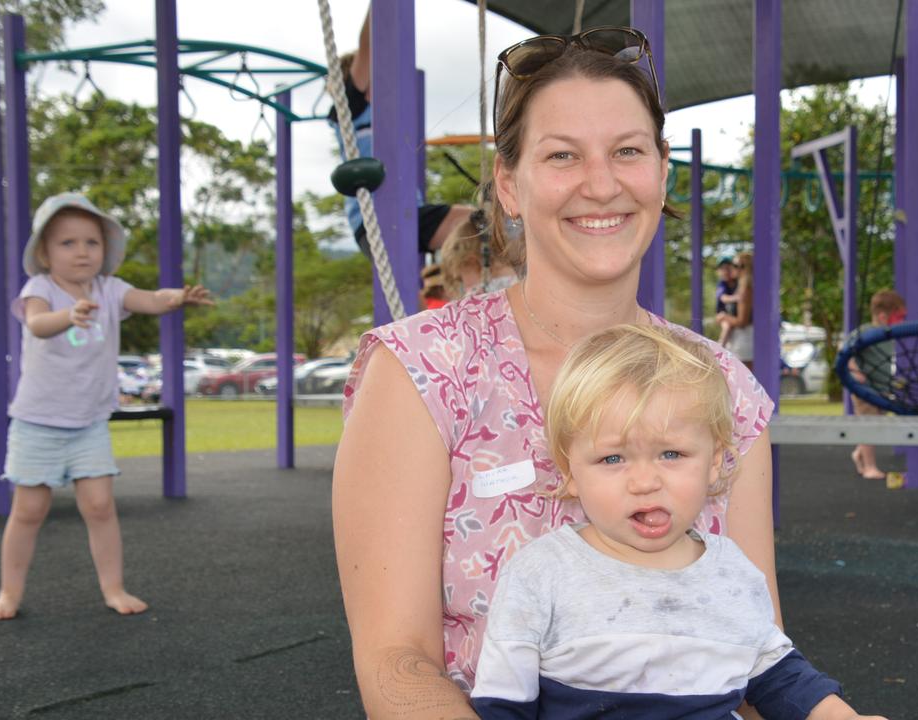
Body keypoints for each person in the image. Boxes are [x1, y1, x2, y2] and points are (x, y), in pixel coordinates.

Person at [334, 27, 809, 718]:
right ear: (509, 184)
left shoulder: (725, 391)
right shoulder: (423, 372)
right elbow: (396, 661)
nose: (601, 183)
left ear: (662, 171)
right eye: (563, 156)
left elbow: (752, 646)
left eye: (627, 151)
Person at [469, 324, 879, 719]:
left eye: (671, 454)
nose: (645, 482)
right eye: (613, 458)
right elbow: (502, 704)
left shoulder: (731, 573)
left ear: (715, 462)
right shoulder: (541, 575)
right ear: (571, 473)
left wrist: (838, 714)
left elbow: (775, 673)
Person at [0, 193, 214, 620]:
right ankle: (9, 594)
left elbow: (149, 299)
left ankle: (114, 588)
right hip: (38, 422)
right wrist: (68, 315)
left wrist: (178, 297)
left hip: (88, 423)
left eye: (91, 242)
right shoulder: (41, 289)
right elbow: (36, 323)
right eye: (67, 243)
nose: (82, 251)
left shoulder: (110, 289)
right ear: (45, 253)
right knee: (29, 509)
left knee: (100, 507)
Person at [330, 7, 473, 258]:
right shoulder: (352, 108)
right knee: (476, 225)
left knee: (484, 225)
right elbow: (369, 46)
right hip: (376, 220)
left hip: (408, 212)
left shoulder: (387, 119)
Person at [847, 289, 907, 481]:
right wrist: (855, 371)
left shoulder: (887, 335)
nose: (902, 322)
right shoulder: (865, 332)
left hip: (880, 390)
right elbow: (846, 354)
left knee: (876, 425)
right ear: (882, 317)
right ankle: (869, 467)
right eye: (899, 317)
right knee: (869, 427)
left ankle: (859, 454)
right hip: (864, 390)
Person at [438, 208, 518, 300]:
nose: (464, 286)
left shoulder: (476, 298)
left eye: (461, 278)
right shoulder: (526, 285)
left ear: (470, 261)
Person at [721, 251, 755, 369]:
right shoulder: (740, 287)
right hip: (739, 341)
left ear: (744, 268)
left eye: (735, 265)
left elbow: (742, 321)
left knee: (744, 383)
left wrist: (724, 317)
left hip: (744, 342)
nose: (732, 268)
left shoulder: (746, 289)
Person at [713, 255, 738, 346]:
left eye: (728, 268)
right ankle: (720, 347)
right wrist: (737, 298)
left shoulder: (737, 282)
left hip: (733, 315)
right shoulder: (722, 284)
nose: (725, 272)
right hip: (723, 314)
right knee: (726, 326)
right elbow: (723, 298)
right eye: (722, 269)